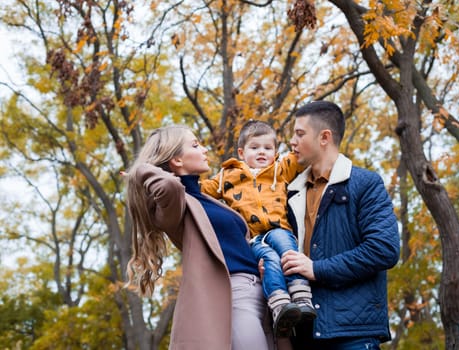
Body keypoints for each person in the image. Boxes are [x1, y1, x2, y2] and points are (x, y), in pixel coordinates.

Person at [124, 125, 291, 350]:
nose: (204, 150)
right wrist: (140, 171)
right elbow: (170, 185)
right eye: (195, 145)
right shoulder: (175, 206)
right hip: (233, 296)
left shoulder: (206, 199)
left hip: (262, 292)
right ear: (176, 160)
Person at [280, 101, 400, 350]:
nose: (292, 141)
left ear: (325, 137)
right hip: (302, 334)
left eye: (300, 134)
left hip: (352, 335)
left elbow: (384, 249)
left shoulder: (365, 184)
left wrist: (318, 269)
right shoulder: (288, 192)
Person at [200, 120, 316, 338]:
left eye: (268, 148)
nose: (262, 152)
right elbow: (199, 190)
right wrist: (166, 176)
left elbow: (302, 154)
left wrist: (306, 132)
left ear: (275, 152)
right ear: (242, 152)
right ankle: (280, 304)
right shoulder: (227, 176)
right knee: (270, 260)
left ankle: (301, 295)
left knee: (286, 249)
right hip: (253, 238)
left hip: (278, 228)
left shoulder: (279, 170)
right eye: (255, 148)